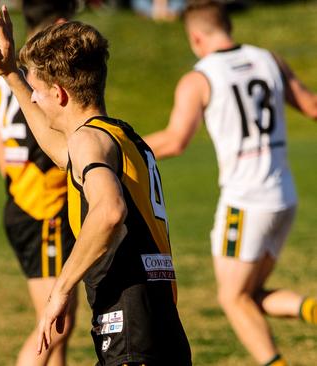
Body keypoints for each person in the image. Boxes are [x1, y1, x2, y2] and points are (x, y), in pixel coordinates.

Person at [0, 5, 192, 365]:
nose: (32, 99)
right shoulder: (119, 135)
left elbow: (109, 212)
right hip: (159, 324)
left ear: (60, 94)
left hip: (130, 324)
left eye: (37, 91)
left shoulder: (88, 141)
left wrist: (60, 290)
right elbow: (61, 152)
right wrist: (12, 77)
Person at [142, 1, 317, 365]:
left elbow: (175, 140)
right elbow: (312, 106)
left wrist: (118, 148)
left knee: (231, 298)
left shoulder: (199, 78)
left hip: (245, 201)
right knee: (248, 295)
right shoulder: (270, 59)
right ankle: (310, 308)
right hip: (283, 197)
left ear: (195, 37)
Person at [0, 1, 78, 365]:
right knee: (57, 324)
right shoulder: (42, 77)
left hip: (24, 200)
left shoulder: (8, 72)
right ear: (59, 23)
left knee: (58, 324)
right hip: (43, 207)